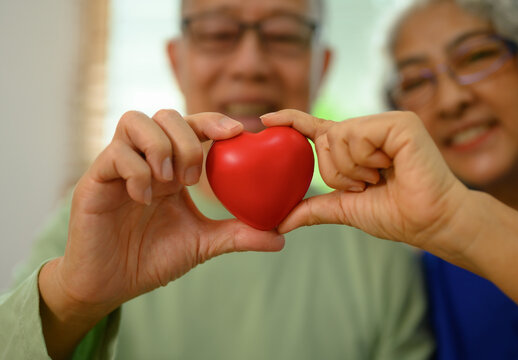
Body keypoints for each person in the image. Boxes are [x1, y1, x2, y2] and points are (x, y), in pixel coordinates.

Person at [0, 0, 434, 359]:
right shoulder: (96, 223)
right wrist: (75, 298)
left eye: (284, 34)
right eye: (217, 33)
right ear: (176, 60)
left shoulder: (377, 250)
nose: (249, 65)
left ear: (321, 66)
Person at [260, 0, 518, 359]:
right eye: (415, 81)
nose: (451, 101)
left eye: (476, 57)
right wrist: (450, 219)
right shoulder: (424, 273)